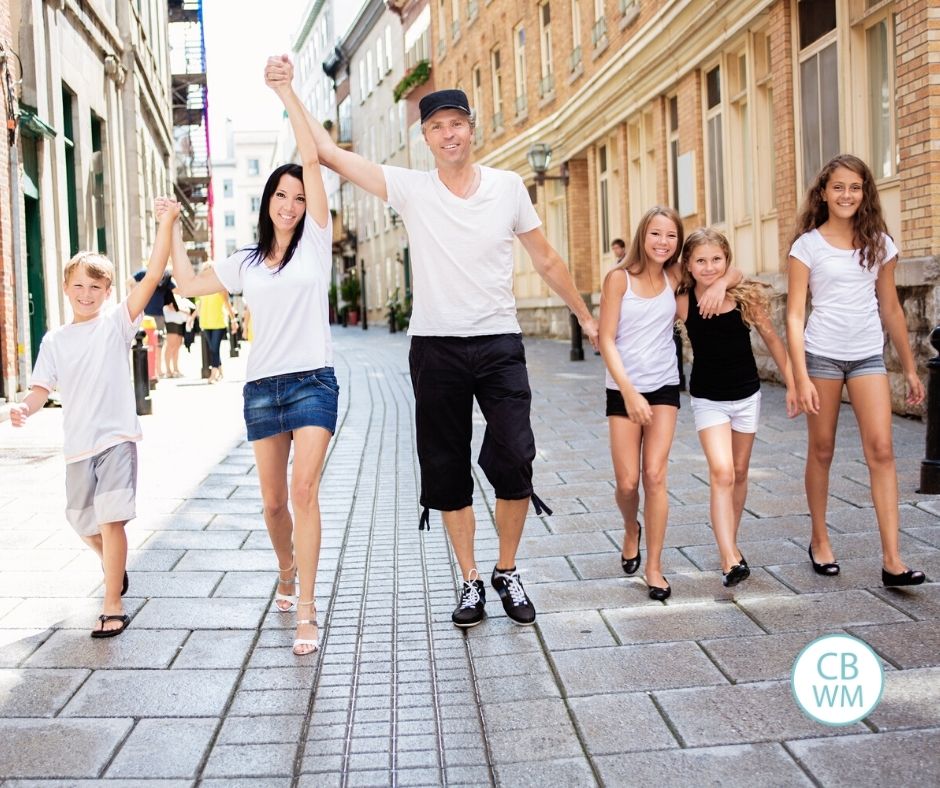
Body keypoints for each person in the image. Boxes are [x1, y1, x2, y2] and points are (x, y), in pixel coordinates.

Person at [266, 55, 598, 629]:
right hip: (436, 349)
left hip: (498, 343)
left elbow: (545, 257)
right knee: (445, 467)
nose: (449, 134)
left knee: (516, 455)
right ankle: (471, 580)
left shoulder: (508, 187)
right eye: (437, 126)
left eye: (457, 123)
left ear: (472, 129)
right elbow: (324, 152)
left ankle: (507, 568)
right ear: (425, 137)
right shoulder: (411, 189)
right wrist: (288, 92)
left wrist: (583, 314)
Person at [164, 61, 336, 656]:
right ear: (266, 203)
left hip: (313, 382)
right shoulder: (245, 260)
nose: (289, 204)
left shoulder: (317, 238)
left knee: (305, 491)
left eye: (296, 196)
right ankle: (285, 572)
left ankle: (308, 608)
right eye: (280, 196)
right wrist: (169, 227)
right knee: (271, 503)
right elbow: (186, 283)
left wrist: (285, 89)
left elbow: (312, 156)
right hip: (262, 388)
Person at [10, 199, 179, 637]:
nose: (87, 294)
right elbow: (40, 389)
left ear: (107, 293)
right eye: (80, 286)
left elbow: (155, 273)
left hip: (116, 439)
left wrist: (166, 222)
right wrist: (23, 409)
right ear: (67, 288)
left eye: (96, 288)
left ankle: (113, 602)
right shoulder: (55, 340)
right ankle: (113, 566)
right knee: (80, 519)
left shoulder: (116, 324)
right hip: (77, 446)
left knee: (111, 519)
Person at [786, 153, 926, 587]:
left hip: (867, 356)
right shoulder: (807, 245)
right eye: (838, 187)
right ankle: (820, 539)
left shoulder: (879, 243)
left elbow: (891, 308)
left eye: (855, 187)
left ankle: (892, 559)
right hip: (821, 355)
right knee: (822, 449)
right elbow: (793, 315)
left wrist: (911, 369)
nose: (847, 194)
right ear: (824, 193)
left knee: (882, 450)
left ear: (865, 193)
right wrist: (800, 375)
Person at [599, 206, 739, 601]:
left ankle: (655, 567)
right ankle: (631, 528)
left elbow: (732, 271)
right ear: (643, 236)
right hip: (623, 389)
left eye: (671, 236)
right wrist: (628, 391)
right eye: (656, 234)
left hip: (663, 386)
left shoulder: (675, 275)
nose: (663, 242)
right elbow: (607, 338)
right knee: (628, 482)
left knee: (655, 476)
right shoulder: (617, 279)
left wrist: (716, 285)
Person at [677, 228, 797, 586]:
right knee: (723, 473)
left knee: (741, 472)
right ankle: (730, 558)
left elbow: (773, 340)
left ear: (727, 260)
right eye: (700, 260)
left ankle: (729, 542)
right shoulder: (683, 300)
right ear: (688, 264)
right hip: (708, 399)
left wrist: (794, 384)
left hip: (747, 395)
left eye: (717, 260)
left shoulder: (744, 298)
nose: (709, 267)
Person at [131, 267, 176, 377]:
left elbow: (177, 290)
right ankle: (148, 371)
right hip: (145, 316)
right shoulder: (144, 273)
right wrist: (135, 295)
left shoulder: (166, 277)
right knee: (144, 344)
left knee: (158, 343)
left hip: (159, 316)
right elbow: (129, 282)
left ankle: (157, 370)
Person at [197, 291, 237, 383]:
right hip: (205, 323)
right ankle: (221, 370)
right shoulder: (203, 288)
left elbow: (227, 304)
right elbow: (200, 304)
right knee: (212, 349)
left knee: (214, 349)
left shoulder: (221, 288)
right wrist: (192, 318)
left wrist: (233, 320)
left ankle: (213, 374)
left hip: (219, 323)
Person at [163, 293, 194, 377]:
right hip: (171, 322)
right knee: (170, 346)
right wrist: (184, 311)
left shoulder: (180, 296)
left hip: (181, 322)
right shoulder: (169, 293)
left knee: (177, 346)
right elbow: (171, 307)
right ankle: (168, 370)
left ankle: (176, 369)